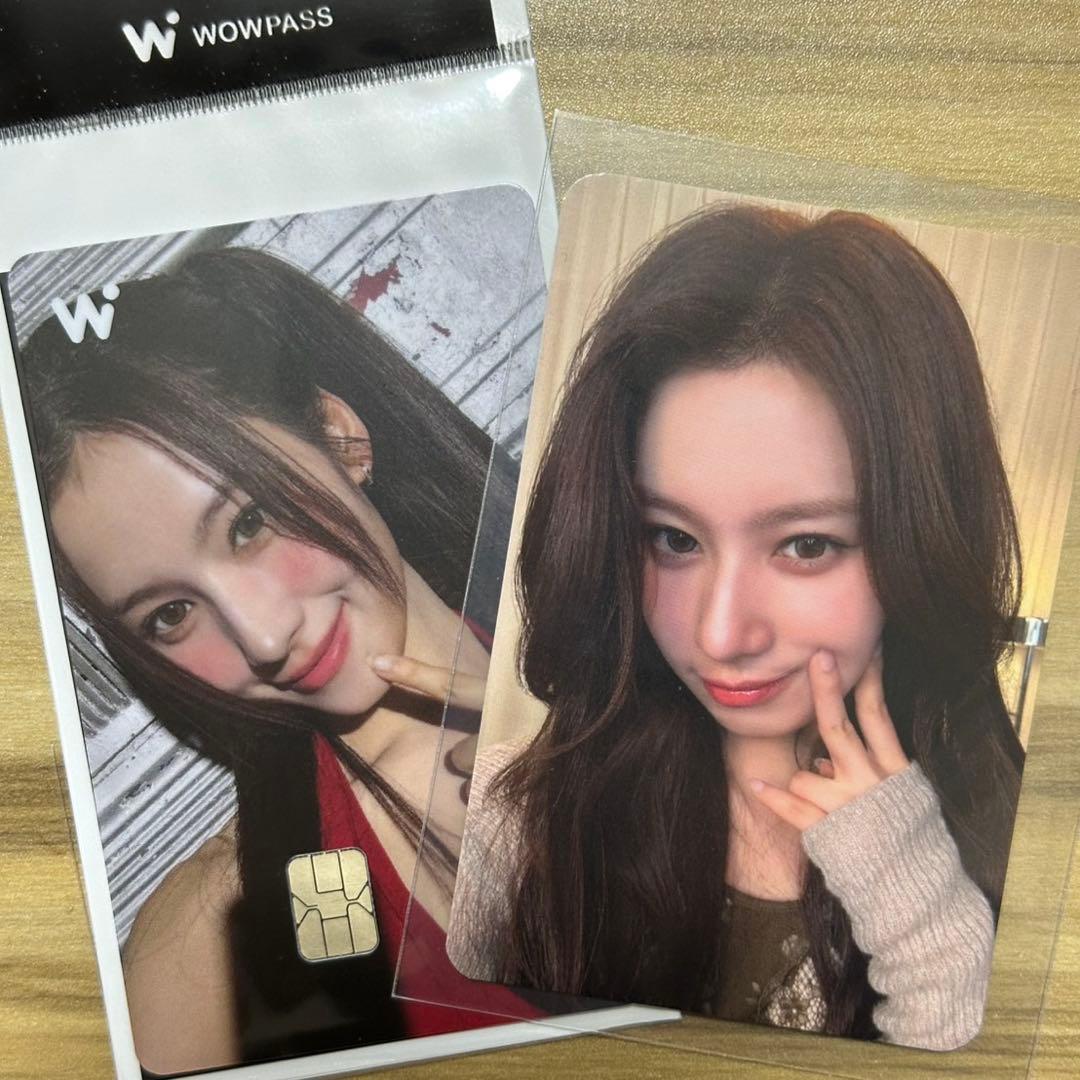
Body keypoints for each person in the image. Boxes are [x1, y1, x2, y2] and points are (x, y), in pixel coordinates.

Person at [447, 202, 1026, 1050]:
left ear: (922, 542)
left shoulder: (1018, 846)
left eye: (806, 545)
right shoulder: (516, 823)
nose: (720, 635)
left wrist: (923, 913)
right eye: (674, 539)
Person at [20, 247, 532, 1073]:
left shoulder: (683, 664)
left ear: (339, 436)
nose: (261, 637)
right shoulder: (207, 955)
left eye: (249, 523)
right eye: (170, 614)